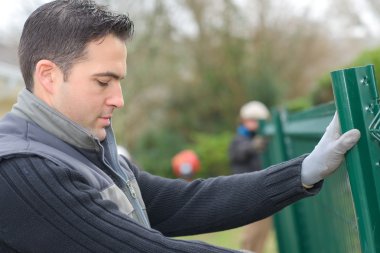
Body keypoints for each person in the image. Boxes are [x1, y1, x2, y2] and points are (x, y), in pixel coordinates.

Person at [0, 1, 360, 252]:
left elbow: (185, 202)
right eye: (103, 81)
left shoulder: (90, 153)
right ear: (48, 75)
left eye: (119, 81)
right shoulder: (21, 169)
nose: (119, 99)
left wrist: (303, 170)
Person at [228, 101, 272, 253]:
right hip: (249, 195)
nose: (254, 124)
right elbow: (239, 151)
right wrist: (253, 146)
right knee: (251, 237)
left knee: (261, 235)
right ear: (244, 120)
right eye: (251, 120)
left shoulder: (258, 138)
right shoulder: (240, 139)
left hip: (262, 193)